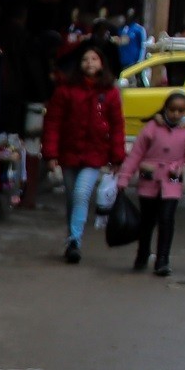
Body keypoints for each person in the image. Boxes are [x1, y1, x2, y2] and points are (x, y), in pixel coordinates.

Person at [43, 43, 125, 263]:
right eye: (85, 59)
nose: (90, 63)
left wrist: (117, 156)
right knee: (72, 197)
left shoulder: (110, 93)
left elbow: (117, 126)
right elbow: (53, 123)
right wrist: (50, 154)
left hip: (94, 155)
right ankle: (72, 237)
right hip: (68, 153)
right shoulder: (65, 90)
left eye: (94, 59)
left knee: (81, 193)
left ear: (102, 64)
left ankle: (74, 241)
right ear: (79, 64)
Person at [115, 89, 185, 277]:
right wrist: (124, 177)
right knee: (147, 220)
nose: (175, 114)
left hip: (172, 177)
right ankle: (142, 253)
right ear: (165, 108)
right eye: (172, 110)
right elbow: (136, 154)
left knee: (167, 219)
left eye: (180, 111)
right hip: (150, 178)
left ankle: (163, 259)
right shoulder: (152, 127)